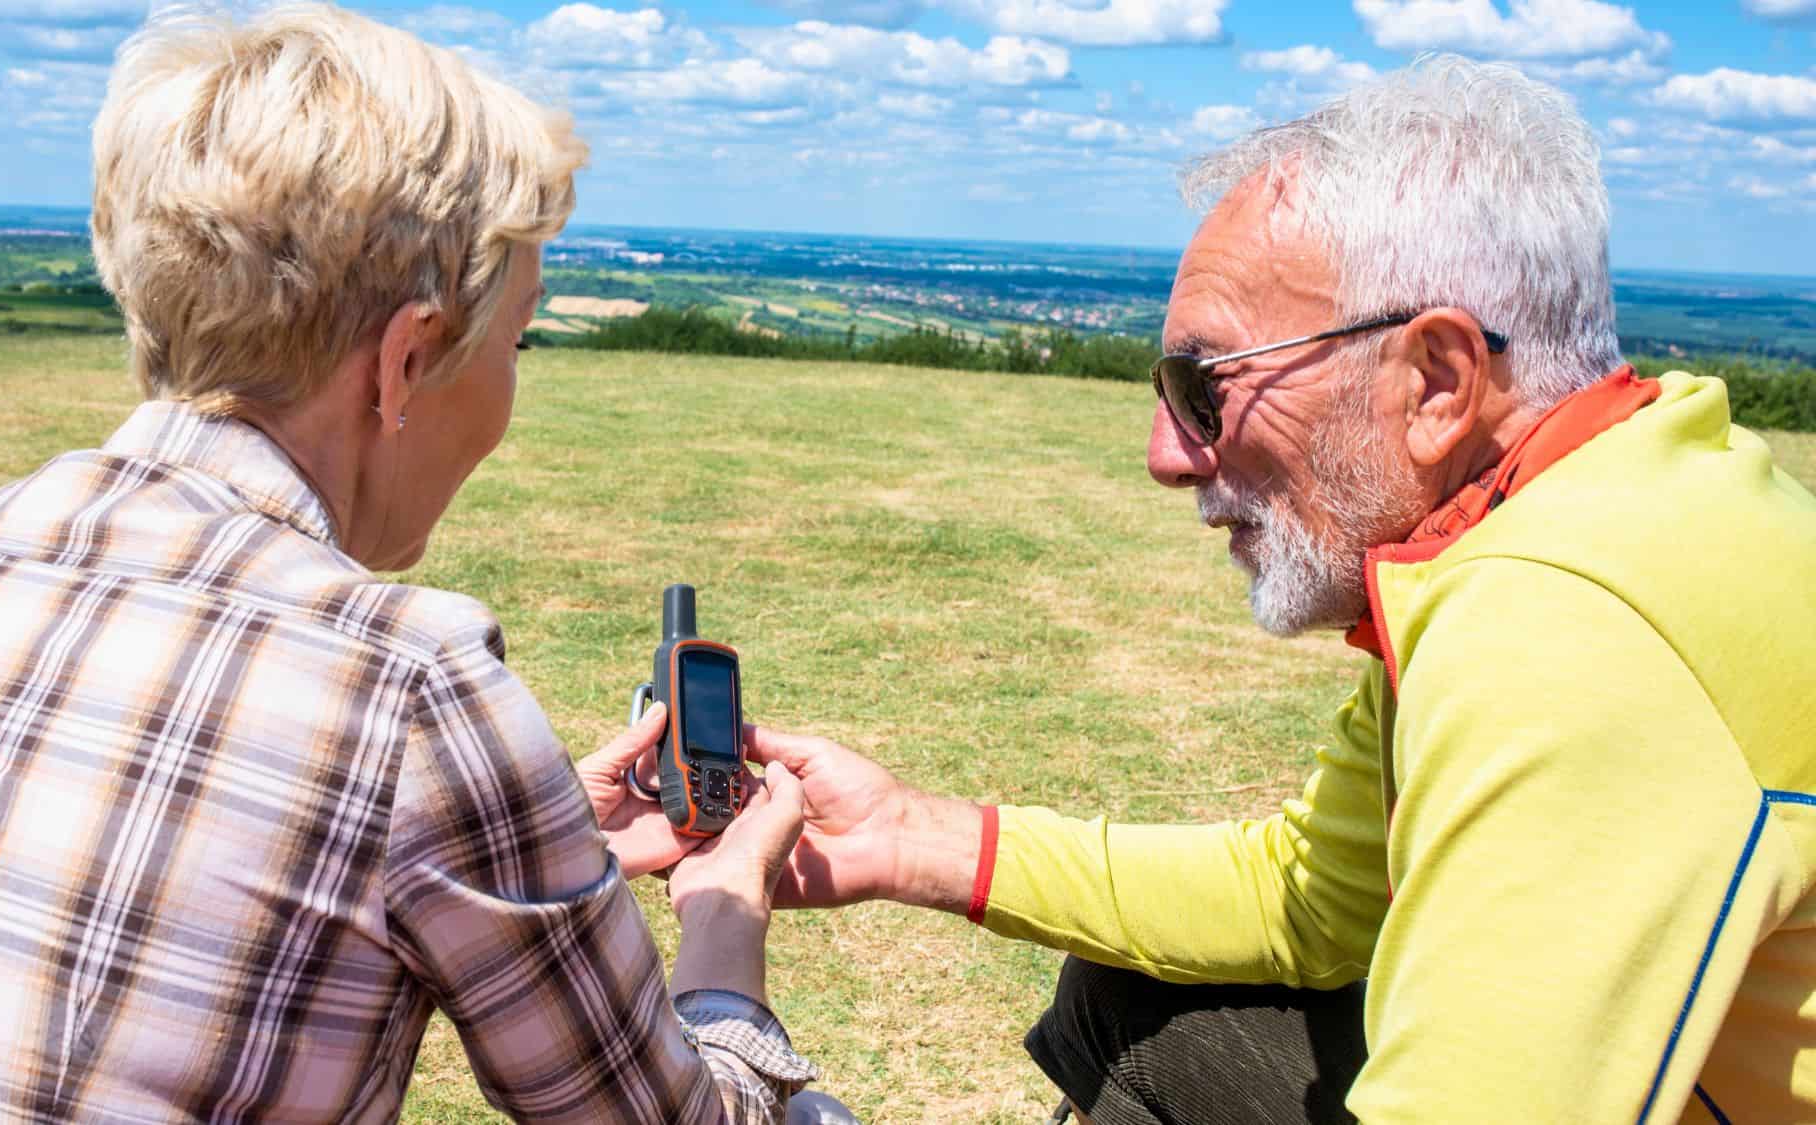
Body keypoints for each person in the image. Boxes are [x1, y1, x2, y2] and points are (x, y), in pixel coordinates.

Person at [747, 55, 1816, 1123]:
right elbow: (1310, 898)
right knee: (1132, 998)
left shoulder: (1564, 629)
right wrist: (904, 835)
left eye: (1202, 387)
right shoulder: (1591, 505)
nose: (1167, 454)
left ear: (1435, 382)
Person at [0, 5, 826, 1121]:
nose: (512, 388)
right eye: (517, 343)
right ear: (404, 361)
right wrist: (727, 909)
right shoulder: (405, 683)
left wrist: (541, 839)